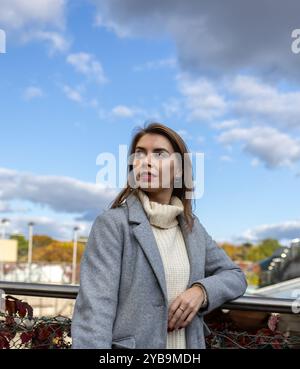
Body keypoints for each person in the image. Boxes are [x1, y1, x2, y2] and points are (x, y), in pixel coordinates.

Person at [71, 122, 247, 349]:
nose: (147, 161)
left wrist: (201, 291)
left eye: (159, 154)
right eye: (140, 153)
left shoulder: (192, 228)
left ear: (180, 169)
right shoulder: (113, 225)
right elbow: (94, 313)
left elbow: (235, 275)